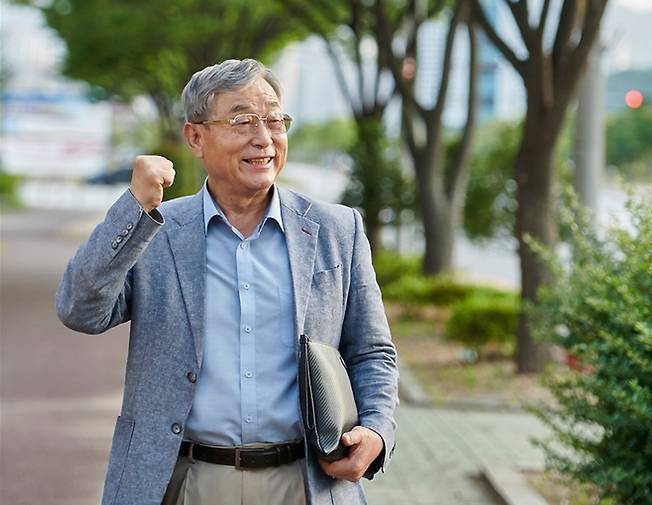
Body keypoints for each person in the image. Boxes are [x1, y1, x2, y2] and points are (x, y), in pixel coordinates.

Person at [56, 58, 398, 505]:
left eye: (275, 120)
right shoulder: (155, 231)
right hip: (182, 481)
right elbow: (79, 310)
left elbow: (372, 351)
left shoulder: (337, 230)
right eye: (242, 120)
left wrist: (375, 429)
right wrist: (134, 208)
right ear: (196, 136)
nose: (264, 138)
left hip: (306, 482)